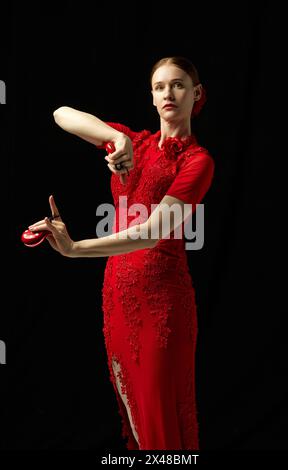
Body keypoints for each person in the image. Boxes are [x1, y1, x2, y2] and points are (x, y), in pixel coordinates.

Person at [28, 56, 215, 450]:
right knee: (134, 416)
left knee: (160, 421)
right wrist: (120, 139)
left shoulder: (197, 162)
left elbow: (151, 233)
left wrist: (75, 248)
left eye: (179, 85)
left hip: (163, 301)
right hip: (117, 294)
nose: (168, 93)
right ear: (151, 96)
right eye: (160, 86)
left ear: (196, 93)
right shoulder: (136, 144)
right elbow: (61, 113)